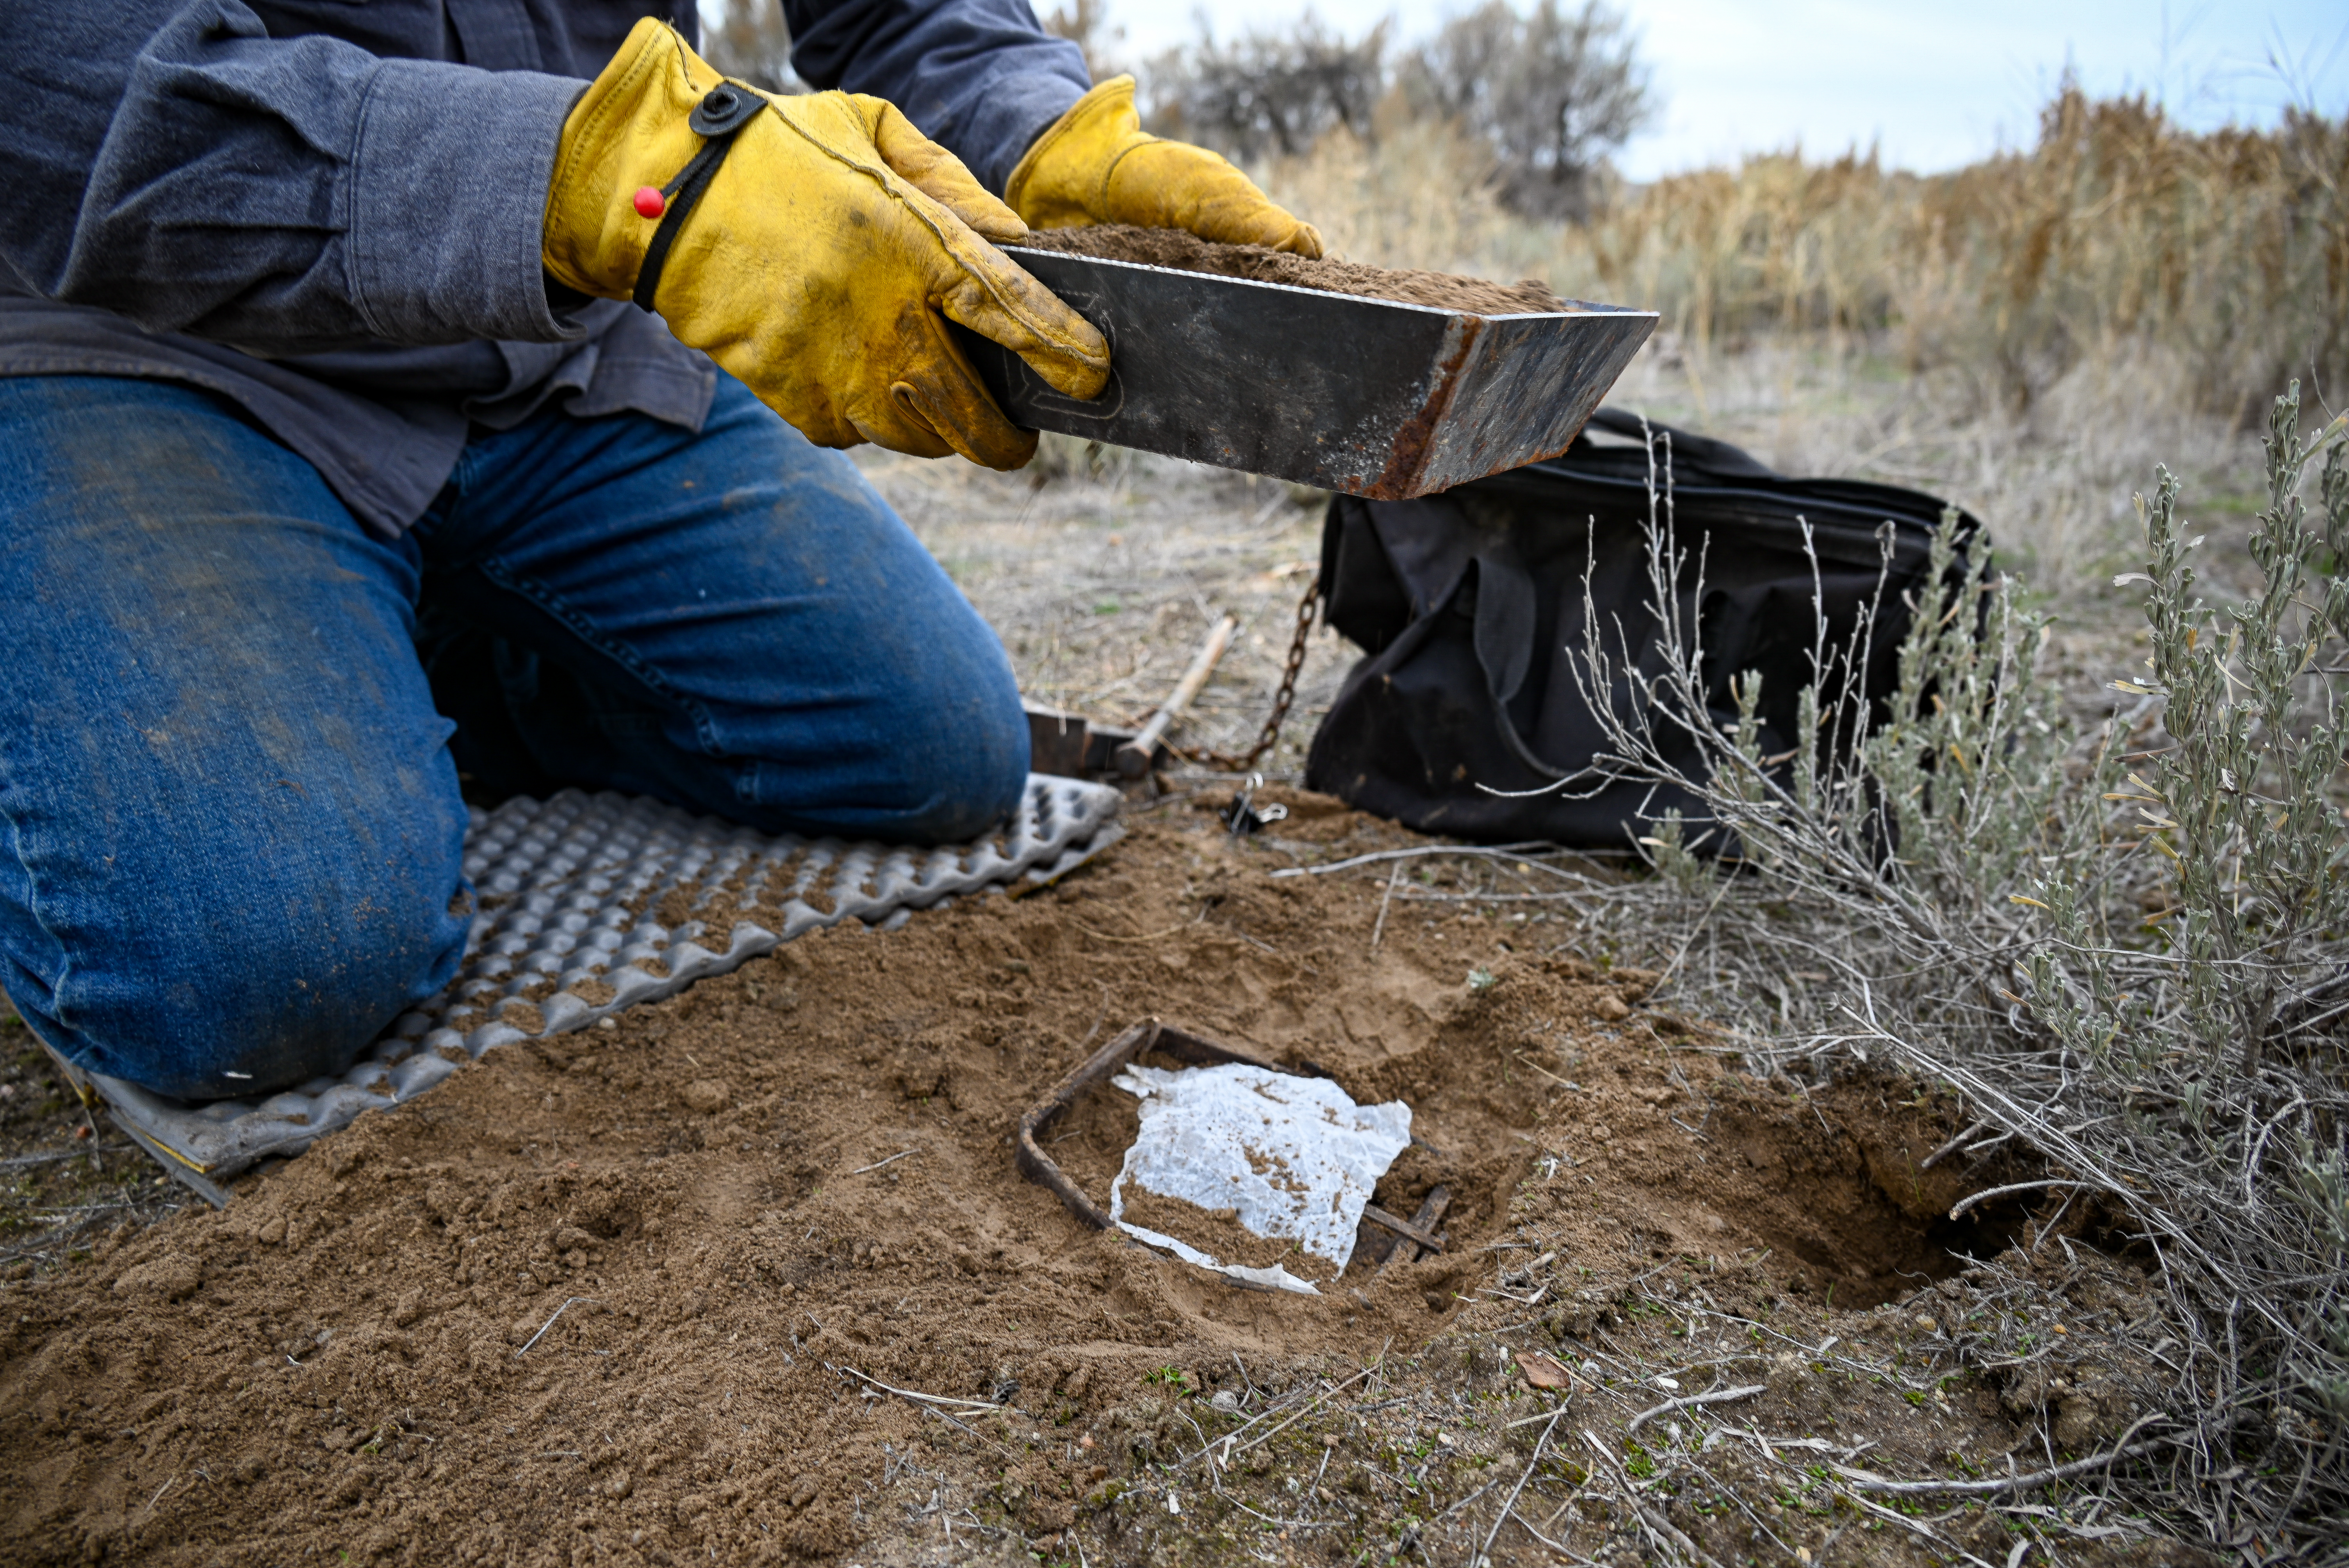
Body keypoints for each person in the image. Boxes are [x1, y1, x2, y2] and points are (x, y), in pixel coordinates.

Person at [0, 2, 1319, 1102]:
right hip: (159, 337)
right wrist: (606, 175)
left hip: (561, 338)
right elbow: (55, 84)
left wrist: (1026, 127)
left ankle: (398, 655)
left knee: (936, 752)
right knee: (256, 962)